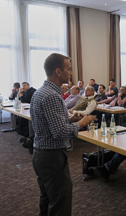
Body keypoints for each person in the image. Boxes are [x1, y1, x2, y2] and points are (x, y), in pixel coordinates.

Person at [31, 53, 95, 216]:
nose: (71, 73)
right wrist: (81, 123)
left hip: (41, 154)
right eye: (69, 69)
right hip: (52, 157)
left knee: (47, 200)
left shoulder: (40, 92)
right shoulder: (53, 96)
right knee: (60, 203)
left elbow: (47, 125)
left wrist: (70, 120)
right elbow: (60, 133)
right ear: (58, 72)